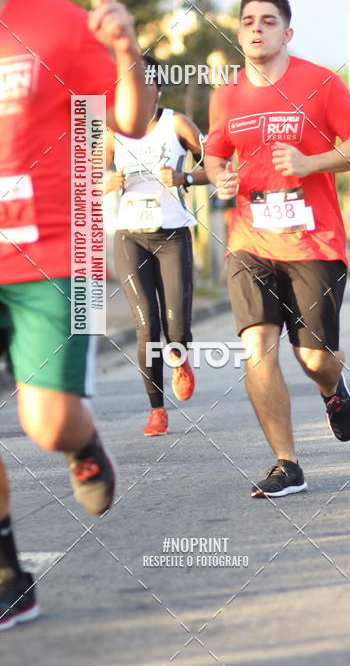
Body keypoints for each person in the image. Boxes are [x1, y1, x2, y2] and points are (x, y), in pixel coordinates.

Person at [0, 0, 152, 629]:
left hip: (52, 251)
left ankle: (83, 442)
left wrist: (126, 52)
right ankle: (7, 570)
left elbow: (130, 121)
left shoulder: (56, 24)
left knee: (48, 423)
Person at [204, 0, 350, 498]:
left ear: (287, 32)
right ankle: (286, 463)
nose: (257, 28)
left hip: (314, 242)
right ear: (239, 32)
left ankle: (332, 387)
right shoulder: (227, 93)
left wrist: (311, 164)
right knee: (257, 347)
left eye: (269, 21)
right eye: (248, 21)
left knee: (315, 359)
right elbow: (216, 151)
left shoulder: (320, 83)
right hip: (249, 240)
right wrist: (219, 177)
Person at [104, 58, 207, 435]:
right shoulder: (113, 131)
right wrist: (107, 183)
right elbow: (88, 179)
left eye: (147, 86)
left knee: (175, 326)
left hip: (172, 235)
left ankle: (179, 357)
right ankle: (157, 408)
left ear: (158, 89)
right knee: (146, 322)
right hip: (130, 236)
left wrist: (185, 177)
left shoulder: (176, 124)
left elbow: (218, 165)